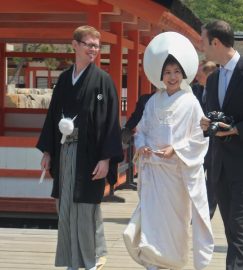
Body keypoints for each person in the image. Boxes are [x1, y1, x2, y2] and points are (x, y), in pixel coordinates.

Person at [123, 32, 213, 270]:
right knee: (152, 224)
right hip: (154, 174)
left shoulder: (191, 102)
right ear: (160, 76)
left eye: (176, 72)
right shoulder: (153, 101)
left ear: (183, 74)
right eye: (167, 72)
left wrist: (176, 149)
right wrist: (141, 144)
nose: (172, 77)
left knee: (174, 225)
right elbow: (141, 129)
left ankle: (172, 264)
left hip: (177, 175)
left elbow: (200, 137)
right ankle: (153, 265)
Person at [36, 25, 123, 270]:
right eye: (88, 44)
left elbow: (110, 121)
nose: (93, 49)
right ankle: (71, 259)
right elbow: (53, 116)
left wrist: (106, 158)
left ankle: (92, 258)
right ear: (75, 45)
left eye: (97, 45)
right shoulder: (64, 79)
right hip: (65, 151)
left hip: (90, 155)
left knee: (86, 207)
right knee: (65, 205)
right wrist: (47, 151)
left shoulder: (103, 81)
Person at [200, 20, 243, 270]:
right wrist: (208, 123)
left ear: (215, 42)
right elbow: (216, 115)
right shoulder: (214, 78)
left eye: (203, 40)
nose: (201, 46)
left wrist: (237, 128)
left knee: (239, 233)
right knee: (231, 231)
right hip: (219, 168)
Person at [193, 60, 218, 219]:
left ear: (209, 75)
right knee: (196, 177)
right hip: (196, 142)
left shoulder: (218, 91)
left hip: (215, 142)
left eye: (199, 73)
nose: (196, 76)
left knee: (213, 181)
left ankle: (208, 213)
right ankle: (193, 211)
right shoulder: (193, 90)